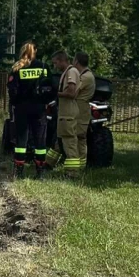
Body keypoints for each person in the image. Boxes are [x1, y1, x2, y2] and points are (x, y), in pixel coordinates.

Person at [7, 42, 55, 179]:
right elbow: (52, 87)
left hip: (21, 109)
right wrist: (45, 101)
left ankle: (19, 171)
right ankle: (40, 172)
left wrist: (16, 103)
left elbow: (11, 89)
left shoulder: (17, 67)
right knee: (40, 141)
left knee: (21, 141)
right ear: (36, 51)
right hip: (39, 109)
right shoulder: (44, 67)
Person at [53, 49, 95, 177]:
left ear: (76, 61)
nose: (54, 66)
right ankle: (53, 164)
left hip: (77, 111)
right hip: (76, 111)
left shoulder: (82, 75)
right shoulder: (79, 73)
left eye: (55, 63)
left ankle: (73, 171)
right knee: (71, 139)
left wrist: (55, 93)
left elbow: (73, 92)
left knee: (73, 140)